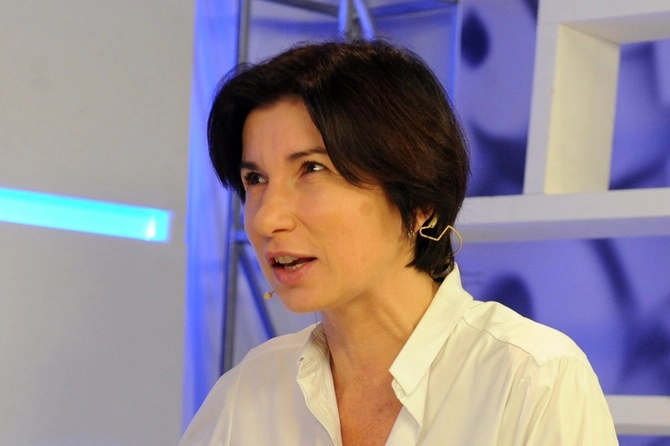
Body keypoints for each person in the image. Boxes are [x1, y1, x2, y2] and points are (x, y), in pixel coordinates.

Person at [180, 40, 618, 445]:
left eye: (312, 169)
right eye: (255, 179)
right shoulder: (250, 390)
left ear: (419, 200)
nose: (267, 218)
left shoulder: (530, 378)